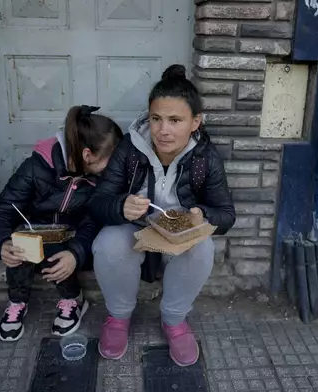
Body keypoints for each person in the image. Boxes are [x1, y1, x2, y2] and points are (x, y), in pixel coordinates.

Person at [89, 65, 236, 366]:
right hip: (135, 227)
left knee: (202, 246)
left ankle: (174, 320)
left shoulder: (205, 157)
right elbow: (97, 201)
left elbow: (226, 214)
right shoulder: (131, 148)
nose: (163, 130)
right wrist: (120, 206)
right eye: (156, 119)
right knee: (108, 243)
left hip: (177, 233)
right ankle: (118, 317)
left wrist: (202, 214)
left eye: (175, 120)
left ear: (195, 122)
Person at [0, 105, 123, 342]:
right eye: (111, 160)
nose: (115, 166)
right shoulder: (36, 167)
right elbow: (2, 211)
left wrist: (76, 255)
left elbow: (94, 222)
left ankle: (72, 298)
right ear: (87, 155)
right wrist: (1, 244)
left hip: (74, 242)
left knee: (55, 248)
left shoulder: (101, 181)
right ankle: (17, 301)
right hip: (36, 233)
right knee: (19, 245)